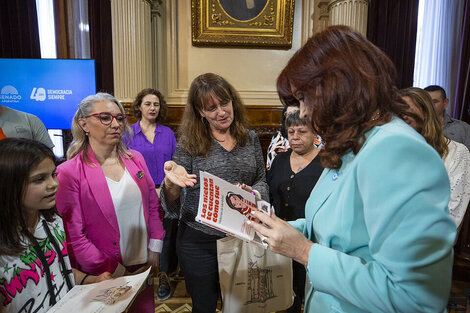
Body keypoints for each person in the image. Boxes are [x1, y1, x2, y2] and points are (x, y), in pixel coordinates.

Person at [249, 26, 456, 313]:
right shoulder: (354, 143)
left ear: (340, 86)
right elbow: (336, 229)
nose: (304, 112)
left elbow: (415, 298)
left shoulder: (396, 150)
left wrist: (304, 252)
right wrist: (277, 229)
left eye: (305, 98)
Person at [160, 73, 268, 313]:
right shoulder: (189, 141)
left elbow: (261, 179)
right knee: (204, 306)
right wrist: (171, 183)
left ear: (233, 102)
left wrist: (255, 193)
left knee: (241, 306)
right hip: (198, 241)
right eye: (212, 108)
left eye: (224, 103)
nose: (221, 112)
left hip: (242, 236)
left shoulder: (248, 137)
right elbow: (171, 201)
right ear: (200, 111)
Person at [55, 93, 165, 313]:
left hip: (143, 267)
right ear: (83, 124)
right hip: (104, 276)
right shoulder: (69, 172)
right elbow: (74, 237)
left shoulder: (136, 159)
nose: (115, 124)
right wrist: (116, 271)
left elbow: (153, 205)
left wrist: (155, 249)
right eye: (105, 118)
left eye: (119, 118)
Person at [0, 138, 111, 313]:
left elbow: (58, 270)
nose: (53, 184)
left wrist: (91, 280)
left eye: (53, 174)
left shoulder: (54, 222)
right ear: (8, 185)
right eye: (39, 179)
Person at [267, 110, 323, 313]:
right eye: (291, 132)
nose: (295, 137)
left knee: (305, 293)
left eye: (302, 131)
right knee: (281, 294)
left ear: (315, 133)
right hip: (279, 240)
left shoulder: (326, 163)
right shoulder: (280, 160)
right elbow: (269, 193)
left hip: (310, 242)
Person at [126, 88, 177, 301]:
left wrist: (164, 187)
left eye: (156, 104)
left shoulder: (168, 134)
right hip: (138, 193)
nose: (152, 108)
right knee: (141, 236)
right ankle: (140, 279)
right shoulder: (127, 134)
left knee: (166, 236)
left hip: (167, 192)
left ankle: (164, 276)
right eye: (148, 104)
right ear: (139, 106)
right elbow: (125, 164)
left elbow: (176, 164)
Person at [401, 87, 470, 234]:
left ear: (427, 115)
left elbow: (451, 215)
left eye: (409, 114)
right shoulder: (392, 149)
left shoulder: (456, 152)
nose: (403, 119)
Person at [424, 85, 470, 150]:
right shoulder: (415, 127)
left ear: (445, 103)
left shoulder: (463, 128)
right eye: (426, 102)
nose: (430, 105)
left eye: (434, 102)